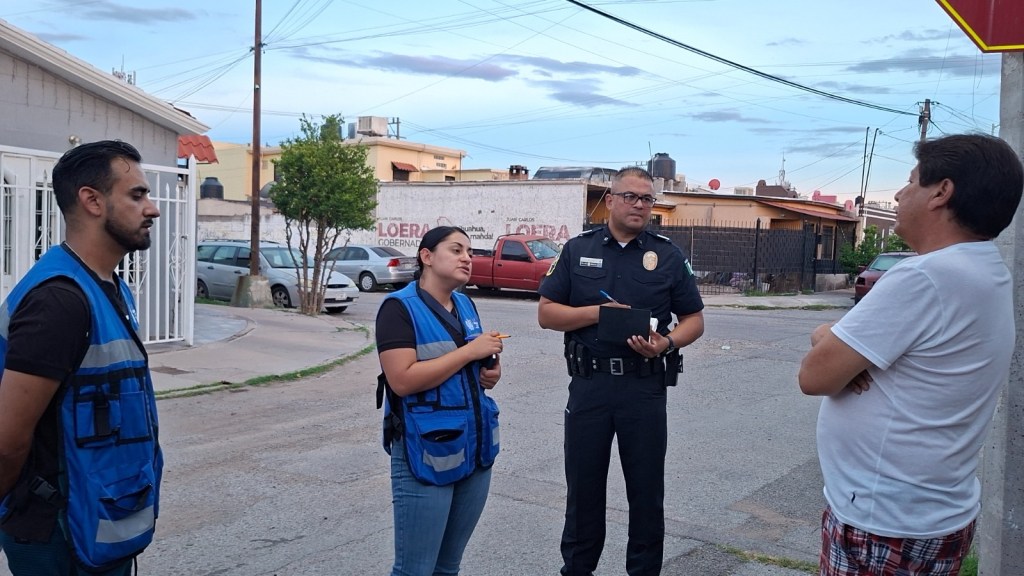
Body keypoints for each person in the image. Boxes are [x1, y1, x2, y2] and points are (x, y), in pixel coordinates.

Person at [798, 134, 1024, 576]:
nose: (900, 195)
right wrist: (835, 341)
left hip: (884, 524)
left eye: (912, 181)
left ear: (942, 192)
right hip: (929, 511)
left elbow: (814, 377)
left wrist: (826, 334)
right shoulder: (983, 268)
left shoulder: (924, 277)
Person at [0, 140, 163, 575]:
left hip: (99, 521)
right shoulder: (59, 301)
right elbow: (8, 439)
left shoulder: (109, 287)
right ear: (92, 201)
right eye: (137, 195)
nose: (152, 209)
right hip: (58, 535)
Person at [538, 166, 705, 576]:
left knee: (646, 494)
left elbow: (694, 320)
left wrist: (666, 343)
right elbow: (547, 313)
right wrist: (597, 312)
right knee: (583, 491)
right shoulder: (577, 249)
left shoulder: (668, 255)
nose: (639, 205)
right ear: (610, 200)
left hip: (643, 388)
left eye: (647, 199)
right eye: (630, 196)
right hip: (590, 385)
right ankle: (577, 569)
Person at [375, 225, 504, 576]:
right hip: (426, 450)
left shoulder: (465, 304)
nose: (467, 258)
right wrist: (469, 353)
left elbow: (472, 366)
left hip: (475, 449)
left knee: (448, 568)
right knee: (415, 569)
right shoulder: (398, 309)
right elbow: (402, 380)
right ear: (427, 256)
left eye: (470, 252)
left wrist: (490, 370)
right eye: (456, 250)